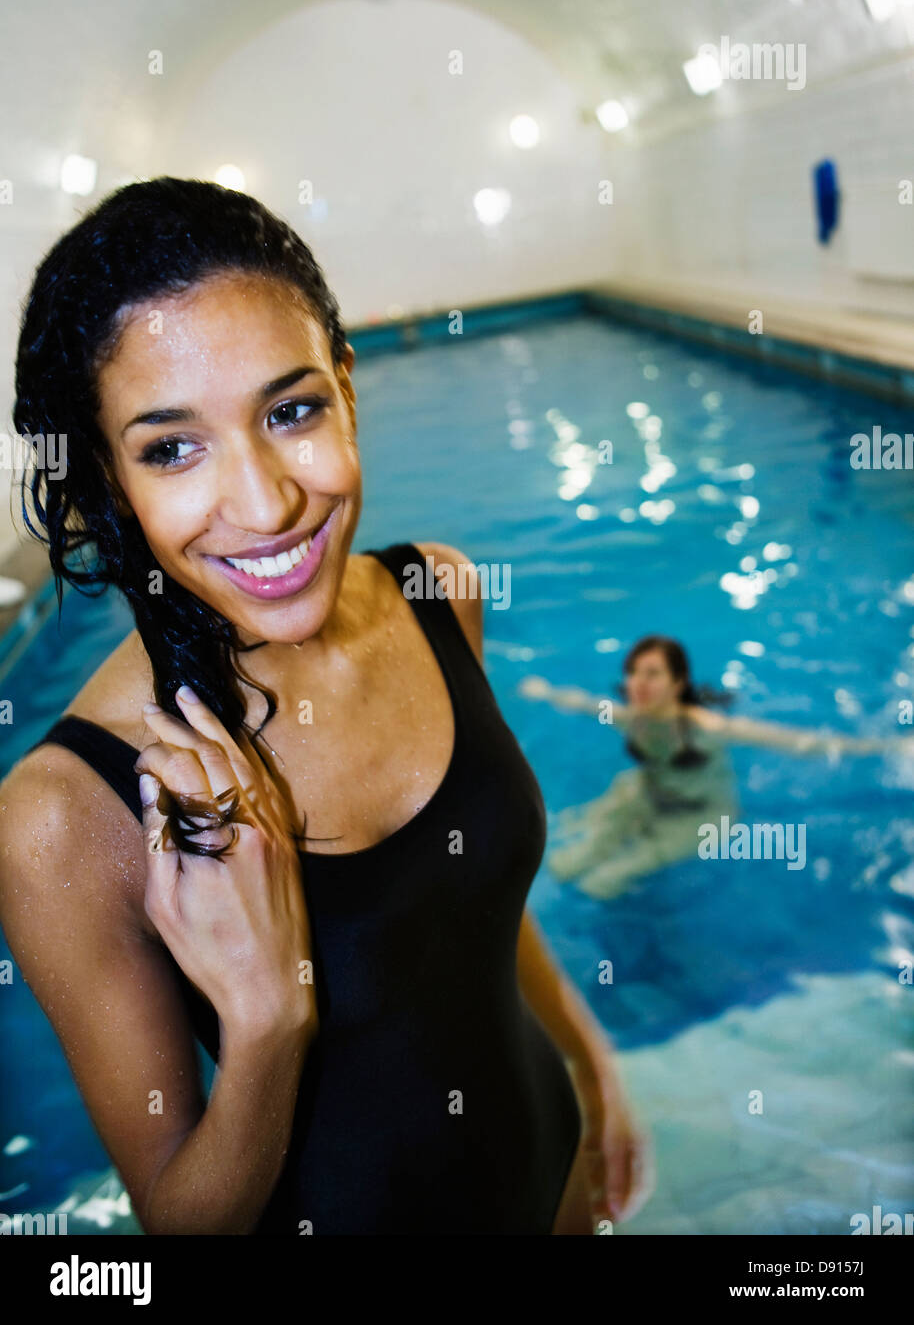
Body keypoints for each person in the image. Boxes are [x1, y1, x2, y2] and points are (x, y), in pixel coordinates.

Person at [0, 177, 652, 1235]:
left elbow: (468, 907)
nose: (265, 503)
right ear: (112, 484)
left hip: (557, 1187)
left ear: (347, 388)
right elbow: (178, 1227)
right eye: (171, 447)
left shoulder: (437, 591)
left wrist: (590, 1060)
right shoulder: (67, 813)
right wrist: (265, 1019)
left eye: (290, 410)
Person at [520, 634, 910, 900]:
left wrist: (889, 745)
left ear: (677, 683)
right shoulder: (629, 716)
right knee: (561, 863)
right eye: (634, 672)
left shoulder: (707, 727)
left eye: (652, 674)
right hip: (643, 792)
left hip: (703, 816)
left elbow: (799, 743)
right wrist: (546, 692)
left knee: (603, 883)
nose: (639, 682)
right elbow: (583, 702)